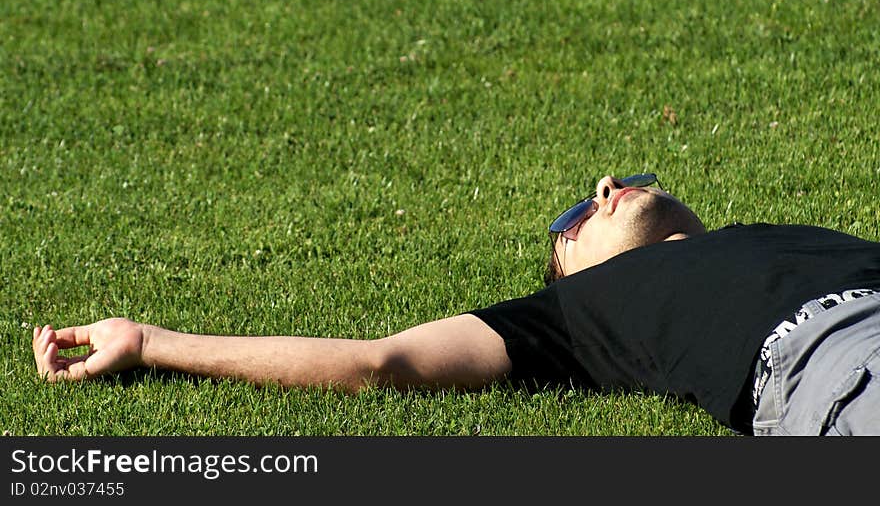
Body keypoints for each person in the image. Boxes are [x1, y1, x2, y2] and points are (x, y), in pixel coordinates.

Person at [32, 174, 880, 435]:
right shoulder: (583, 313)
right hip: (838, 372)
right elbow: (378, 362)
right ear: (569, 269)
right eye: (576, 217)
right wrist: (148, 340)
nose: (604, 188)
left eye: (616, 185)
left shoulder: (786, 231)